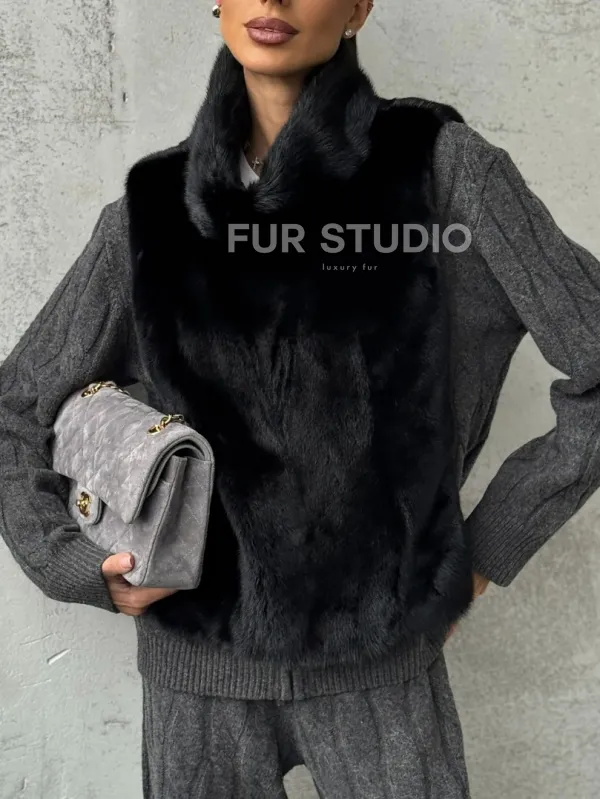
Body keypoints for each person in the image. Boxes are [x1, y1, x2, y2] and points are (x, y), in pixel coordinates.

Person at [1, 0, 599, 796]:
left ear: (358, 7)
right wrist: (71, 563)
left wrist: (486, 550)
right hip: (197, 682)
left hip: (382, 669)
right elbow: (15, 407)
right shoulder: (152, 208)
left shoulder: (441, 170)